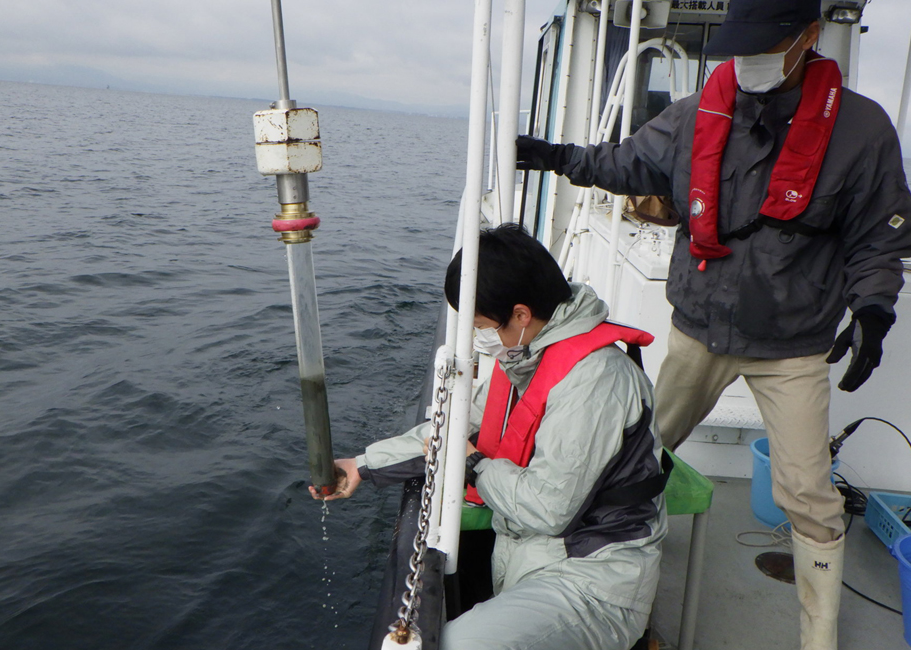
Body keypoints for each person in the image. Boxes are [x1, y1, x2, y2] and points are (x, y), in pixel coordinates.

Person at [515, 1, 911, 649]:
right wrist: (554, 155)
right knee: (638, 455)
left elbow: (878, 237)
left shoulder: (862, 131)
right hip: (698, 331)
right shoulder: (699, 111)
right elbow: (626, 164)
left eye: (764, 44)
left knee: (809, 493)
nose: (746, 58)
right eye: (740, 45)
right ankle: (610, 575)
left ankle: (820, 634)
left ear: (809, 37)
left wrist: (874, 309)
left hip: (792, 349)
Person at [311, 224, 667, 650]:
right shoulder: (527, 356)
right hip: (535, 558)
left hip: (597, 579)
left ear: (519, 314)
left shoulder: (595, 380)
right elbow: (450, 428)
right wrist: (362, 466)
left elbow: (548, 509)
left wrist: (473, 465)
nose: (480, 340)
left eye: (482, 326)